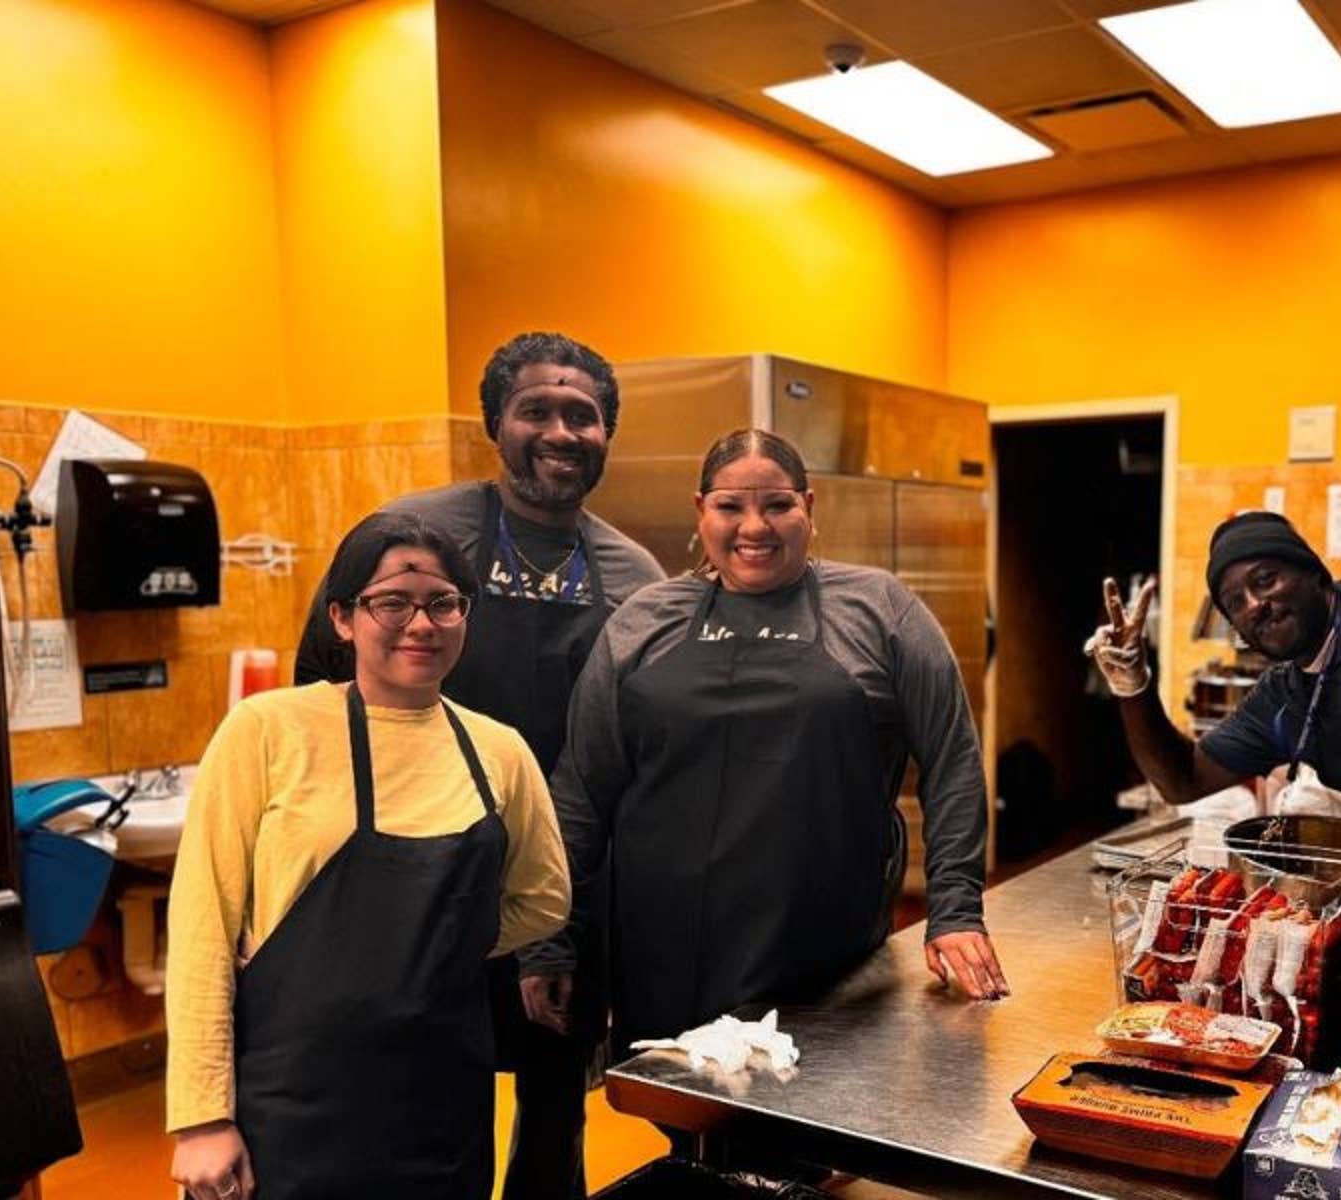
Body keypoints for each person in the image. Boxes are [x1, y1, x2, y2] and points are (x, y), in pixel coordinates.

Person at [294, 331, 663, 1200]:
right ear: (497, 422)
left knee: (554, 1105)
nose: (561, 432)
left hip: (563, 884)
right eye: (537, 410)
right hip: (415, 875)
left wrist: (573, 925)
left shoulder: (635, 576)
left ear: (607, 432)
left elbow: (635, 757)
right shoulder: (419, 535)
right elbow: (319, 699)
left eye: (584, 415)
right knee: (418, 1091)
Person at [524, 427, 1006, 1056]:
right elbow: (582, 793)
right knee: (684, 1121)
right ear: (701, 511)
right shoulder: (644, 621)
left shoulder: (879, 610)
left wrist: (956, 909)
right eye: (730, 506)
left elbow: (952, 764)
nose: (755, 526)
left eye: (778, 505)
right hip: (662, 950)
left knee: (808, 1125)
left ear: (809, 507)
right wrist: (551, 937)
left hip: (824, 957)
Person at [167, 512, 569, 1200]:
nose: (422, 623)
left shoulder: (497, 751)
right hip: (290, 1101)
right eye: (392, 602)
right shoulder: (267, 731)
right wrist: (201, 1118)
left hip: (441, 1102)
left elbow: (544, 898)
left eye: (443, 603)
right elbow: (203, 927)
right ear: (343, 617)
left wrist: (436, 943)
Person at [1086, 510, 1341, 815]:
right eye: (1235, 602)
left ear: (1314, 572)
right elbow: (1182, 780)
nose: (1253, 604)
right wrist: (1133, 686)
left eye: (1265, 580)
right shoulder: (1279, 701)